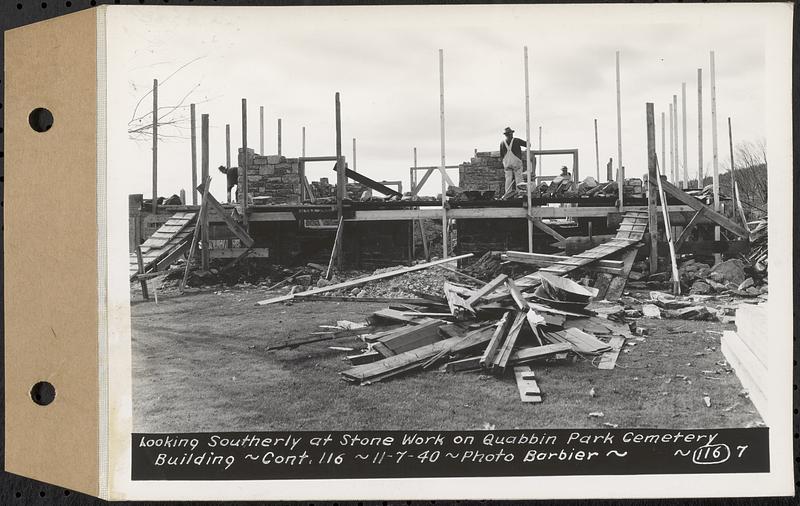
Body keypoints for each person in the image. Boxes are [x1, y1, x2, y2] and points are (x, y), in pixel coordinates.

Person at [499, 127, 531, 198]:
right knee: (518, 178)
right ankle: (520, 193)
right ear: (511, 134)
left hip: (507, 163)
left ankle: (508, 193)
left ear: (505, 135)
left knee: (508, 178)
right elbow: (528, 144)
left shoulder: (502, 143)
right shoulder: (516, 140)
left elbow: (501, 155)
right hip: (516, 162)